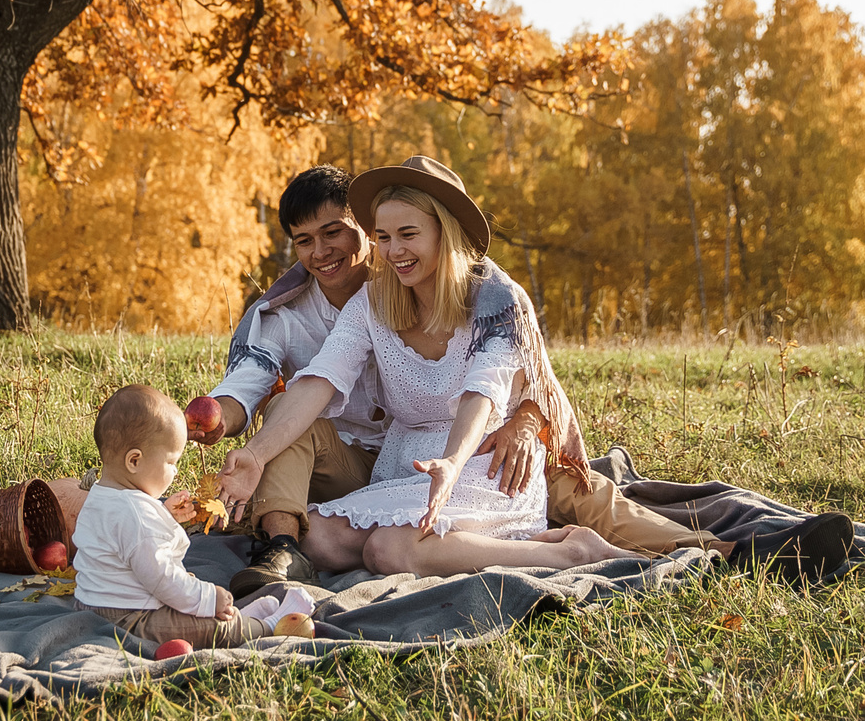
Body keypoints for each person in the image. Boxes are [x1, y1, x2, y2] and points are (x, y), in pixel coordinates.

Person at [218, 159, 629, 577]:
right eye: (384, 237)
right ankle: (502, 546)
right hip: (401, 469)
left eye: (408, 235)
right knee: (318, 538)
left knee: (388, 550)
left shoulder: (495, 301)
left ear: (443, 232)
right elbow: (321, 379)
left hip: (482, 464)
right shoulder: (370, 303)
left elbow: (483, 394)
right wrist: (254, 455)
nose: (394, 251)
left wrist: (451, 463)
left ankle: (572, 553)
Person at [191, 166, 390, 596]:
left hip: (413, 458)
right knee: (286, 407)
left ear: (366, 228)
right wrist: (212, 420)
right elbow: (248, 383)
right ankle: (281, 551)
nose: (320, 251)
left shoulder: (406, 288)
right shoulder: (286, 316)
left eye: (332, 232)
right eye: (304, 241)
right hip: (342, 467)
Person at [70, 385, 268, 649]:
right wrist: (210, 599)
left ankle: (249, 617)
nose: (175, 472)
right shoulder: (137, 516)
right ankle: (266, 626)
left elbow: (122, 540)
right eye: (171, 462)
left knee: (189, 593)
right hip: (131, 616)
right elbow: (162, 578)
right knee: (215, 627)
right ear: (134, 461)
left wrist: (162, 514)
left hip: (91, 604)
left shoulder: (101, 494)